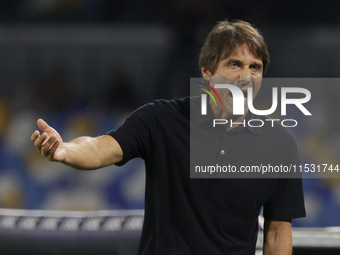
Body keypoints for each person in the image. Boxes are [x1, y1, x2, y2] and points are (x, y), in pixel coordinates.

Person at [31, 20, 305, 255]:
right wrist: (65, 150)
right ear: (207, 72)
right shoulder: (160, 119)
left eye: (255, 67)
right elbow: (101, 148)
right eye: (235, 64)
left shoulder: (279, 143)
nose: (246, 77)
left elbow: (278, 232)